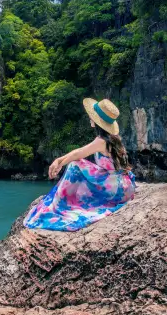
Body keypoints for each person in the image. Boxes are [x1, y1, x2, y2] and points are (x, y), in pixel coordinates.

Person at [23, 98, 136, 231]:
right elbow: (79, 152)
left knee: (74, 165)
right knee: (77, 163)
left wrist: (60, 162)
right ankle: (65, 201)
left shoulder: (101, 141)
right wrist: (59, 160)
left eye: (92, 116)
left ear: (98, 121)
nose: (90, 117)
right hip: (123, 184)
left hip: (116, 189)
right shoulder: (111, 138)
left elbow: (78, 154)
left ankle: (60, 205)